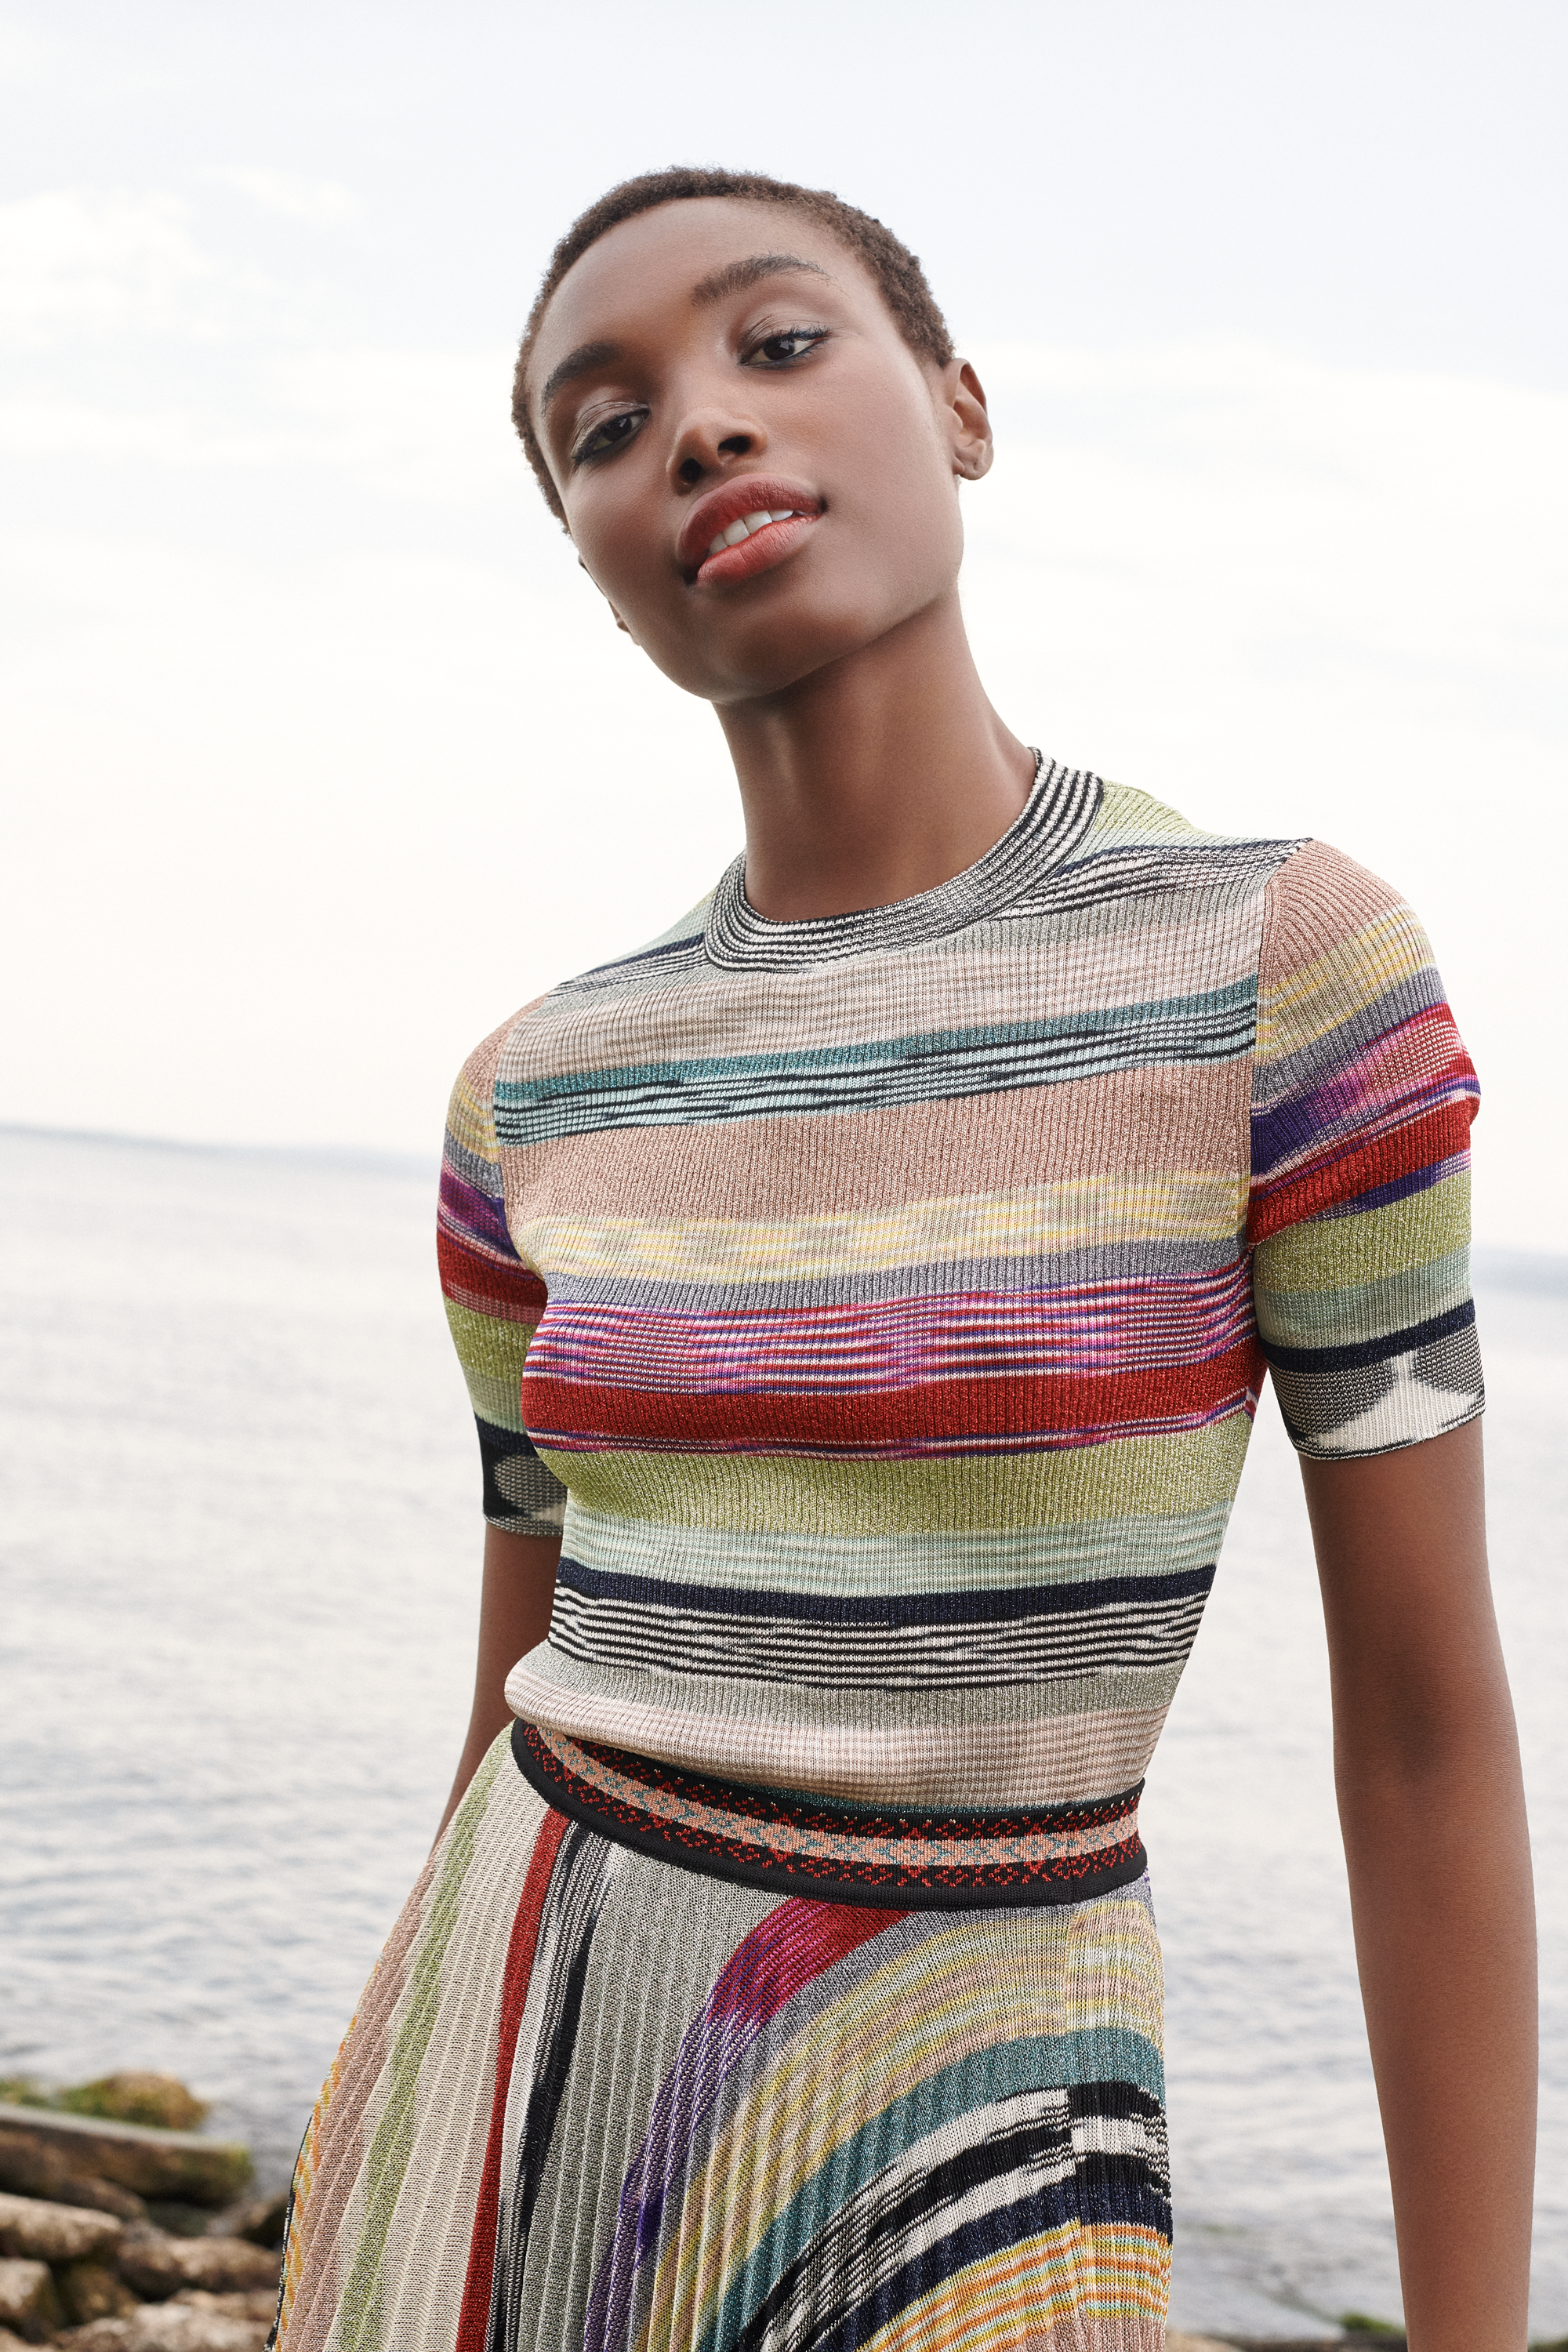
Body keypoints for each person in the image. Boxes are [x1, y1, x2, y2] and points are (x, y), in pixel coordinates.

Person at [271, 168, 1536, 2352]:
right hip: (491, 2083)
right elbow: (512, 1695)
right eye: (604, 427)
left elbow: (1425, 1732)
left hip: (990, 2110)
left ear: (961, 404)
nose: (700, 427)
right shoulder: (536, 1095)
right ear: (594, 562)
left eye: (778, 344)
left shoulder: (1286, 973)